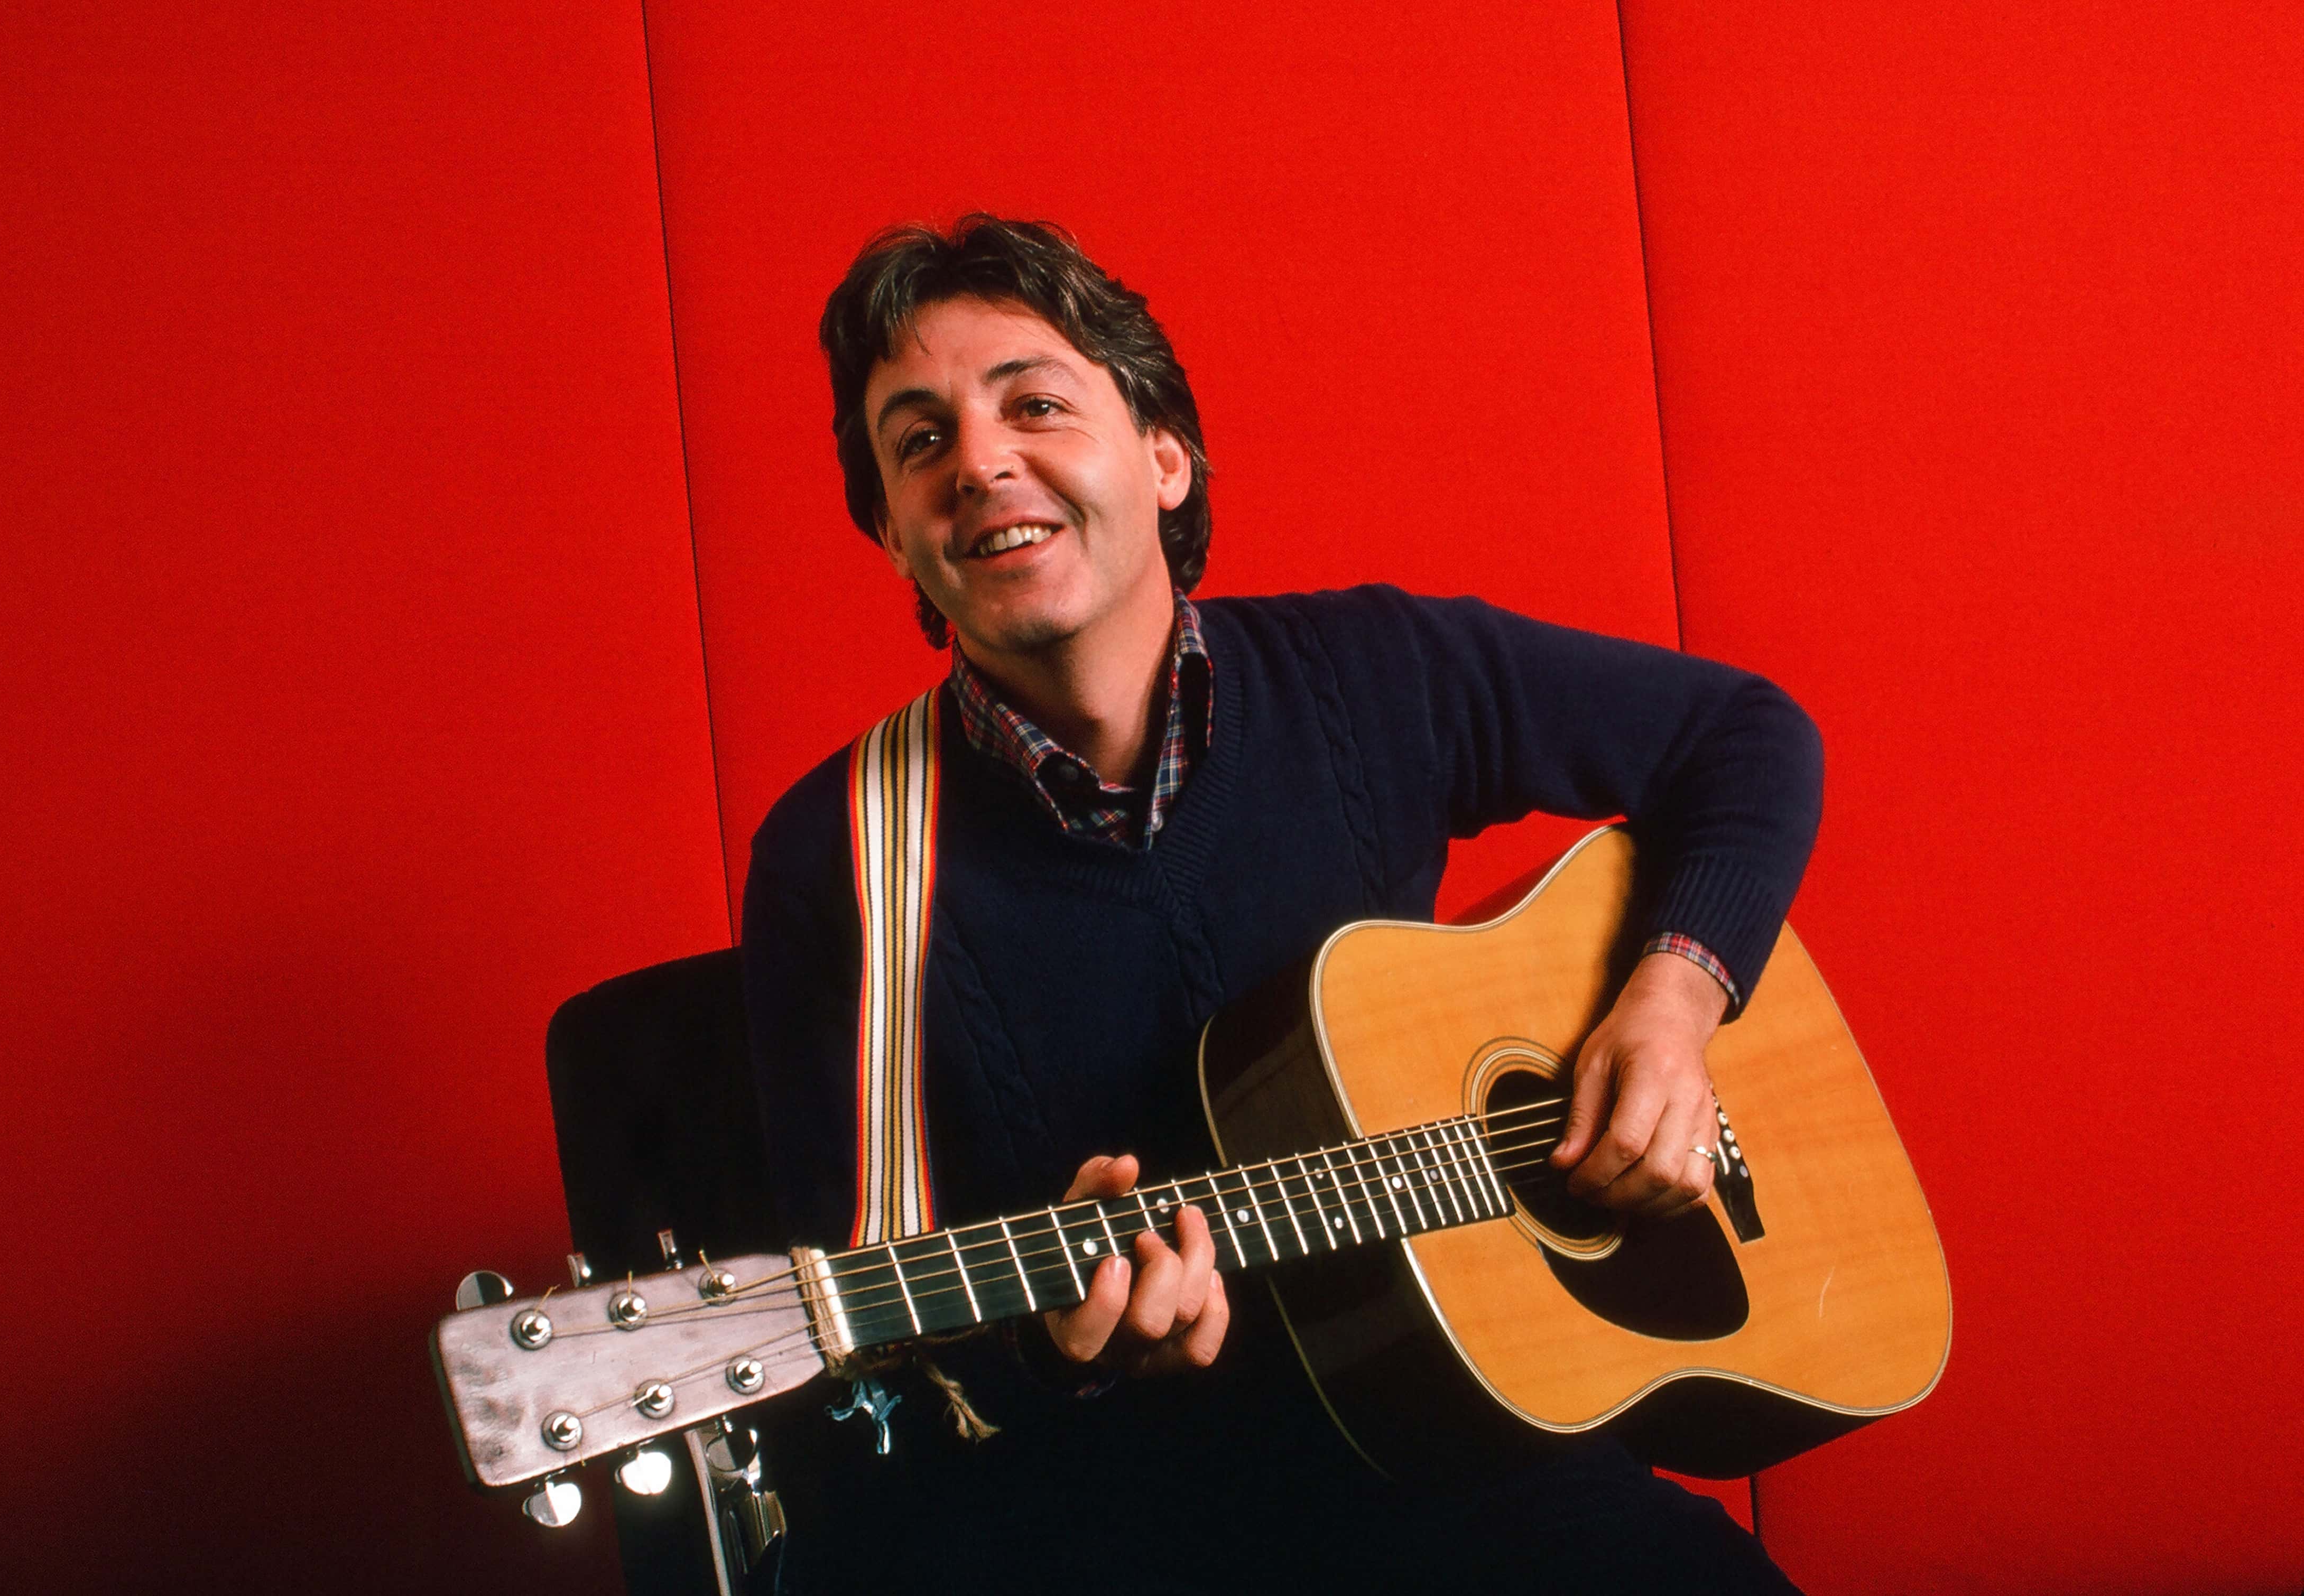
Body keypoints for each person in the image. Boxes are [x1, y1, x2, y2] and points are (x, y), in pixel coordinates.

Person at [741, 215, 1819, 1594]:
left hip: (1467, 1442)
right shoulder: (840, 859)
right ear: (894, 534)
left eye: (1035, 403)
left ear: (1163, 455)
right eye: (920, 439)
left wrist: (1671, 1007)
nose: (982, 461)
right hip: (1125, 1515)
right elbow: (871, 1367)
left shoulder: (1377, 672)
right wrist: (1056, 1354)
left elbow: (1747, 737)